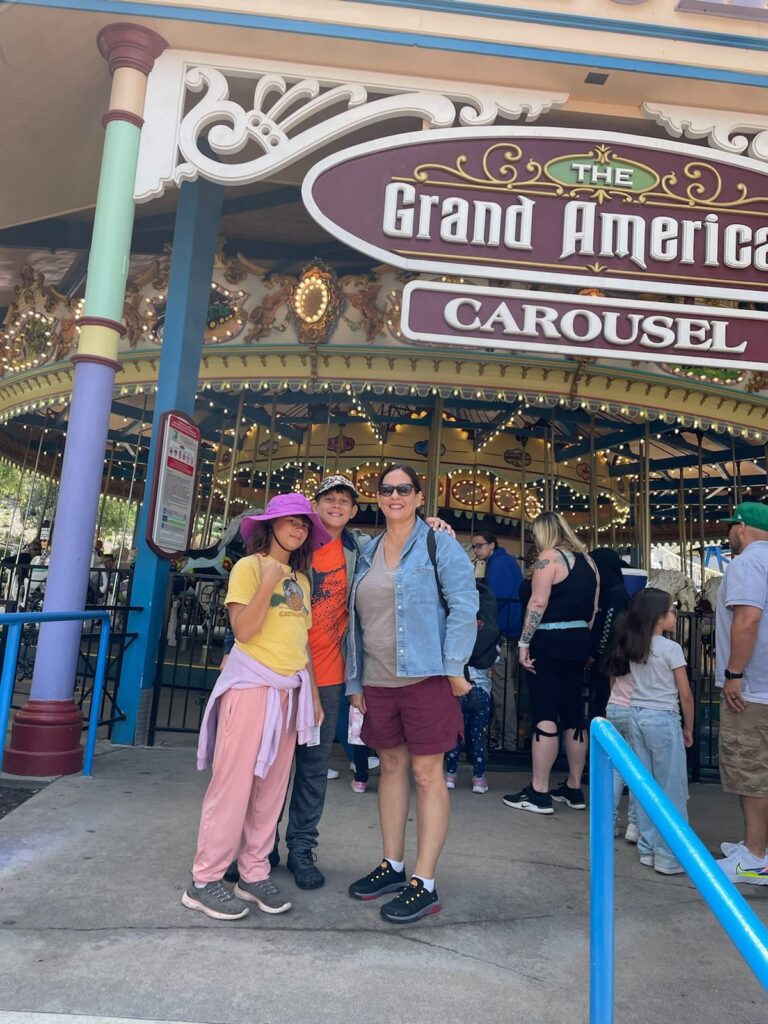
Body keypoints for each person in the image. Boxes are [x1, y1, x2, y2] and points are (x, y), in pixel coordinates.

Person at [182, 493, 330, 921]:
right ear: (271, 525)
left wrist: (314, 696)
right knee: (233, 786)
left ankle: (253, 872)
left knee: (271, 792)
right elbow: (244, 630)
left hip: (289, 695)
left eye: (304, 522)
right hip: (251, 688)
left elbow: (300, 645)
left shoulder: (302, 581)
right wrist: (268, 578)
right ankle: (205, 879)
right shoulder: (247, 569)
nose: (299, 527)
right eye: (291, 520)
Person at [346, 464, 478, 923]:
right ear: (378, 498)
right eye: (386, 490)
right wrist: (355, 681)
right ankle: (393, 864)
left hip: (426, 677)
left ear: (420, 497)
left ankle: (425, 880)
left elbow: (465, 604)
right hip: (379, 680)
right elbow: (354, 620)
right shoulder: (367, 549)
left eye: (404, 489)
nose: (394, 496)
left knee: (427, 773)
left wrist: (454, 664)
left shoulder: (439, 543)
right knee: (392, 768)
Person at [503, 511, 598, 814]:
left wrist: (524, 642)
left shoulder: (550, 558)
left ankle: (539, 791)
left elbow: (538, 602)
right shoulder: (589, 562)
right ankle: (574, 787)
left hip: (548, 640)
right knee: (573, 715)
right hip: (579, 641)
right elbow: (593, 611)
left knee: (545, 711)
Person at [603, 587, 694, 875]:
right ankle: (669, 856)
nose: (674, 614)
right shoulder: (671, 649)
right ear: (658, 618)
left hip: (638, 715)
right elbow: (686, 694)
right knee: (672, 788)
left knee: (644, 785)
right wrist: (689, 726)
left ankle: (647, 847)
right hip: (664, 718)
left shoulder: (635, 646)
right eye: (670, 611)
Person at [714, 502, 768, 884]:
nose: (729, 533)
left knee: (749, 767)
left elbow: (748, 617)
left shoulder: (747, 563)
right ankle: (758, 845)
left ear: (742, 527)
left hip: (753, 687)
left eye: (732, 526)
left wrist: (734, 673)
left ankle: (754, 856)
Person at [471, 530, 523, 751]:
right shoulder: (501, 562)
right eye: (473, 547)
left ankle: (507, 739)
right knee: (499, 684)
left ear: (491, 545)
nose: (476, 551)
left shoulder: (500, 564)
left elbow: (494, 600)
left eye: (479, 546)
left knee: (500, 685)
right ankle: (501, 735)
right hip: (505, 630)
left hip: (502, 632)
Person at [589, 548, 631, 719]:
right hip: (607, 658)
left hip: (608, 660)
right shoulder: (612, 591)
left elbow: (608, 627)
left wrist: (595, 653)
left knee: (604, 701)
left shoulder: (615, 594)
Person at [444, 665, 492, 793]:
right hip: (481, 691)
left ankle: (450, 775)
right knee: (477, 736)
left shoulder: (460, 647)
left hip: (459, 690)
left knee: (456, 734)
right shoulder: (485, 645)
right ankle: (479, 779)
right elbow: (492, 662)